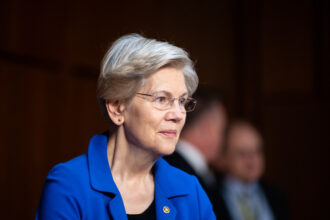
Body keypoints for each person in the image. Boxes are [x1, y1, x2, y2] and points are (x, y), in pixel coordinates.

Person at [35, 34, 216, 220]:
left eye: (181, 101)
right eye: (161, 99)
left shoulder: (189, 190)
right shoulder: (69, 185)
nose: (178, 115)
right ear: (116, 108)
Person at [163, 89, 227, 218]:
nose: (223, 139)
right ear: (207, 128)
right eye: (222, 130)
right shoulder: (177, 171)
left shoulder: (168, 163)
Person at [218, 120, 288, 220]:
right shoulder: (211, 195)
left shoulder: (276, 195)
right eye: (242, 153)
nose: (252, 160)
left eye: (257, 151)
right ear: (224, 157)